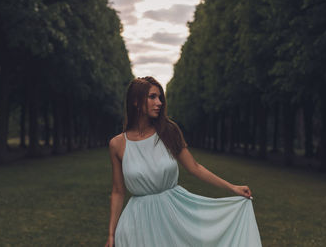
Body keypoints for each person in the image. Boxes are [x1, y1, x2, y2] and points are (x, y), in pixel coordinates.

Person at [105, 76, 262, 247]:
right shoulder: (117, 144)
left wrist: (233, 187)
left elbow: (194, 167)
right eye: (152, 97)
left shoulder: (168, 131)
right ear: (136, 101)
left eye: (160, 97)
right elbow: (118, 191)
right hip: (136, 223)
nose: (159, 102)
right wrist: (112, 234)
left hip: (173, 214)